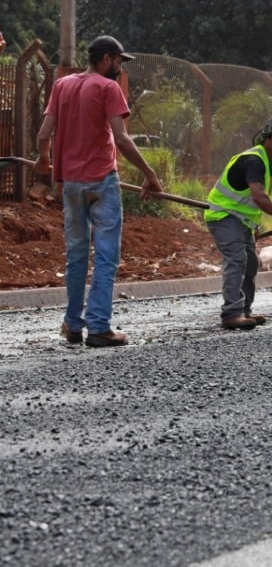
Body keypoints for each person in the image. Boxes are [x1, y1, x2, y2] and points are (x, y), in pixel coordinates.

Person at [32, 35, 164, 348]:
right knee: (105, 256)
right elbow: (122, 139)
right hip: (102, 182)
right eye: (119, 62)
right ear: (106, 59)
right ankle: (99, 327)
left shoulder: (62, 85)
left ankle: (73, 325)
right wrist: (151, 175)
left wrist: (44, 159)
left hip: (71, 184)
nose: (120, 68)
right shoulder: (107, 88)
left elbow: (44, 134)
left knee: (76, 256)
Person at [204, 115, 272, 329]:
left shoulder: (269, 161)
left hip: (242, 221)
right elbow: (259, 196)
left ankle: (244, 311)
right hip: (224, 216)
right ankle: (232, 313)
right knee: (237, 261)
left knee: (250, 263)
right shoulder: (255, 160)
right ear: (267, 139)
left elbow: (260, 200)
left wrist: (255, 226)